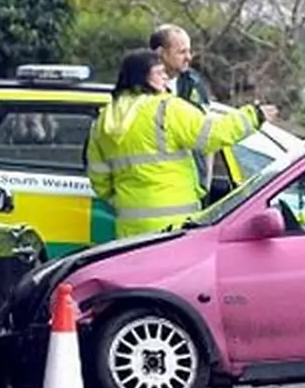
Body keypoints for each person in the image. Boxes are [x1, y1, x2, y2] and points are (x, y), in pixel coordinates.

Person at [86, 48, 279, 239]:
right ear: (143, 78)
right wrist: (254, 116)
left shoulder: (105, 120)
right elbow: (213, 134)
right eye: (159, 73)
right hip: (173, 227)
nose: (165, 78)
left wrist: (128, 199)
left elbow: (99, 179)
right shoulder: (166, 109)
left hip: (130, 227)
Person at [150, 24, 217, 192]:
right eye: (182, 52)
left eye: (189, 51)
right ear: (161, 53)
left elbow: (209, 135)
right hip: (155, 183)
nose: (188, 57)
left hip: (190, 185)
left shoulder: (194, 83)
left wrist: (205, 182)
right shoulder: (139, 85)